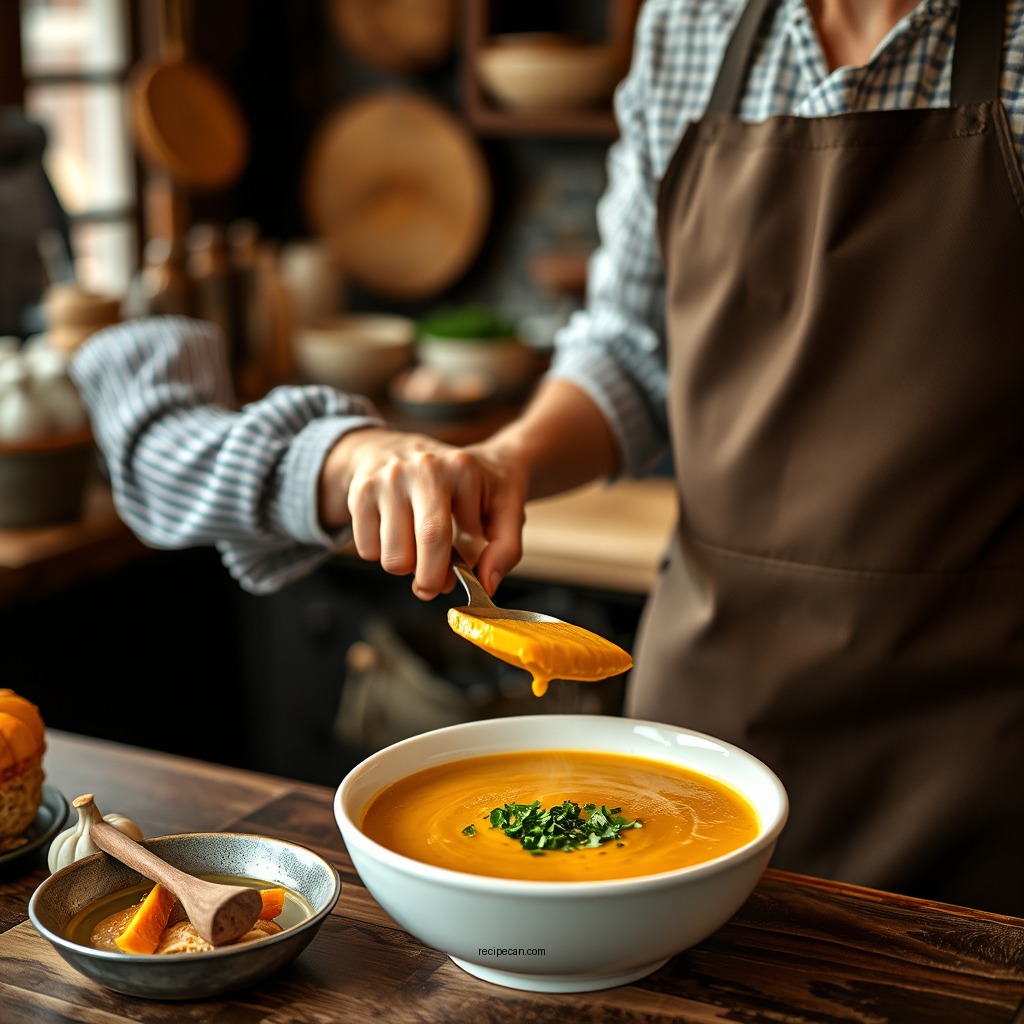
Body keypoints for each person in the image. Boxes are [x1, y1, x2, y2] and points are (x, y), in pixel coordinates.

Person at [71, 0, 1023, 916]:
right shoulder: (692, 23)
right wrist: (506, 460)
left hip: (973, 723)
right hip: (715, 694)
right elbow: (634, 351)